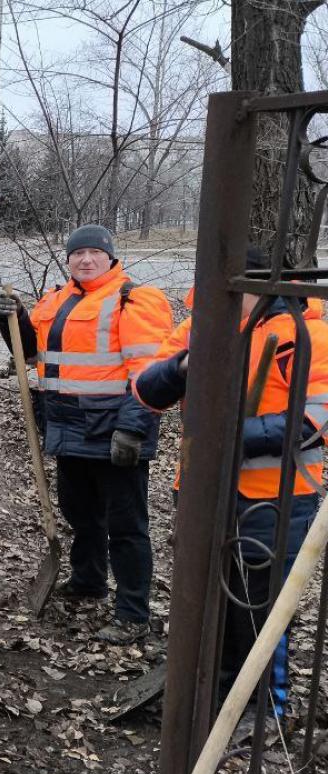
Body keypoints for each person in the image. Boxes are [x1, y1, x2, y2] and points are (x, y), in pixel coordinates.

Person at [134, 246, 328, 724]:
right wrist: (180, 368)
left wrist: (231, 439)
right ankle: (214, 694)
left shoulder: (307, 334)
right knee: (207, 598)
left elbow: (317, 419)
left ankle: (264, 708)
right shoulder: (201, 326)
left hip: (276, 495)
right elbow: (145, 389)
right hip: (201, 491)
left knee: (259, 605)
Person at [0, 224, 172, 643]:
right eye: (78, 253)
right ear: (68, 259)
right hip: (67, 426)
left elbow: (149, 373)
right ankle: (88, 580)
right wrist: (13, 318)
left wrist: (133, 428)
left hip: (116, 431)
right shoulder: (56, 300)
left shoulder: (135, 300)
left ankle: (132, 612)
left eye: (94, 253)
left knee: (126, 524)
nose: (85, 260)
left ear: (110, 258)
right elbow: (32, 351)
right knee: (80, 513)